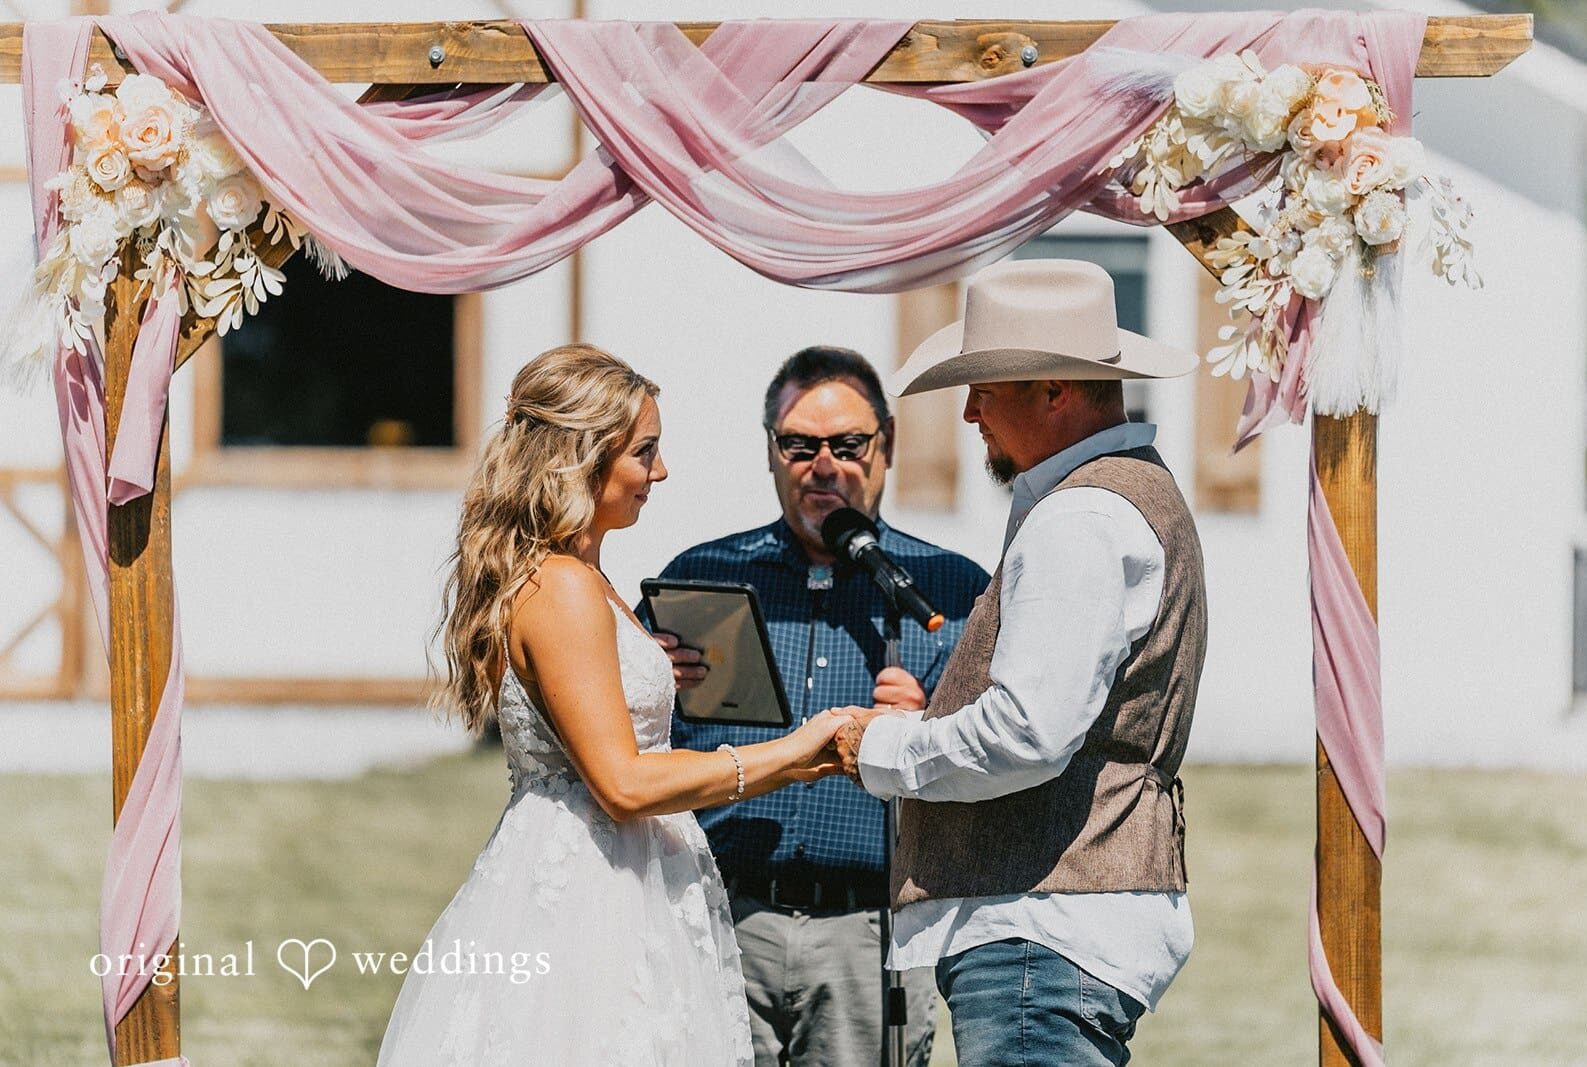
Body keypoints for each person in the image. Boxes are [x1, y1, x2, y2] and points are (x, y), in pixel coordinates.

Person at [378, 344, 852, 1066]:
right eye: (644, 452)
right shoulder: (563, 584)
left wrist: (651, 670)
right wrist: (791, 754)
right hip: (589, 898)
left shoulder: (582, 574)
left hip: (617, 874)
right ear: (582, 456)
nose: (659, 473)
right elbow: (623, 784)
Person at [832, 259, 1210, 1067]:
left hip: (1040, 932)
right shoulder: (1122, 493)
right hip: (1058, 927)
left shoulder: (1078, 517)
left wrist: (883, 748)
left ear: (1053, 390)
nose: (969, 412)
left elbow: (1028, 732)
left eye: (987, 386)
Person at [645, 346, 989, 1067]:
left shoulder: (951, 592)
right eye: (798, 444)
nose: (822, 464)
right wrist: (654, 682)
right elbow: (642, 756)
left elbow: (997, 766)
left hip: (870, 931)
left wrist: (929, 730)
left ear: (885, 446)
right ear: (770, 451)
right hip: (723, 918)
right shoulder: (703, 576)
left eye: (847, 444)